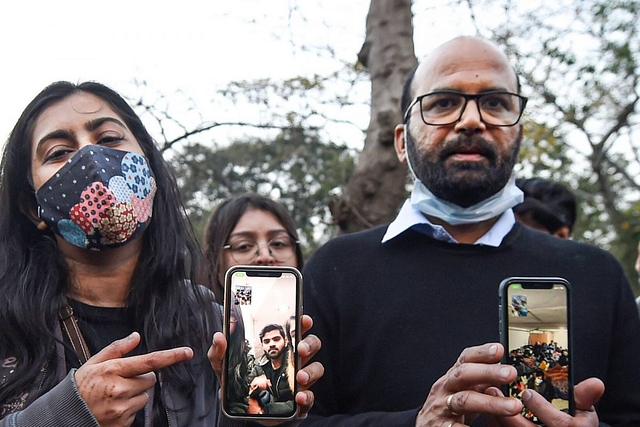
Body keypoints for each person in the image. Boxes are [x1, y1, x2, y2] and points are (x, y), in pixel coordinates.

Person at [302, 36, 640, 426]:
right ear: (401, 141)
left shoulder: (597, 274)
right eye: (443, 103)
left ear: (520, 133)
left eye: (495, 102)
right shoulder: (335, 269)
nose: (471, 120)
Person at [0, 81, 322, 426]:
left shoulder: (211, 325)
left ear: (150, 171)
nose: (91, 160)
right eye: (59, 152)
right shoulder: (8, 324)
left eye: (109, 140)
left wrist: (258, 421)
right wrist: (66, 415)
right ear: (32, 208)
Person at [202, 193, 304, 303]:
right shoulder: (188, 318)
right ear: (215, 261)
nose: (265, 256)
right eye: (243, 246)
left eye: (278, 243)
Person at [248, 324, 295, 415]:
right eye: (266, 341)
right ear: (262, 346)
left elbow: (299, 403)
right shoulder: (259, 367)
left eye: (276, 339)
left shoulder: (293, 364)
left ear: (285, 342)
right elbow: (244, 392)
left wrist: (266, 411)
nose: (272, 344)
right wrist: (253, 386)